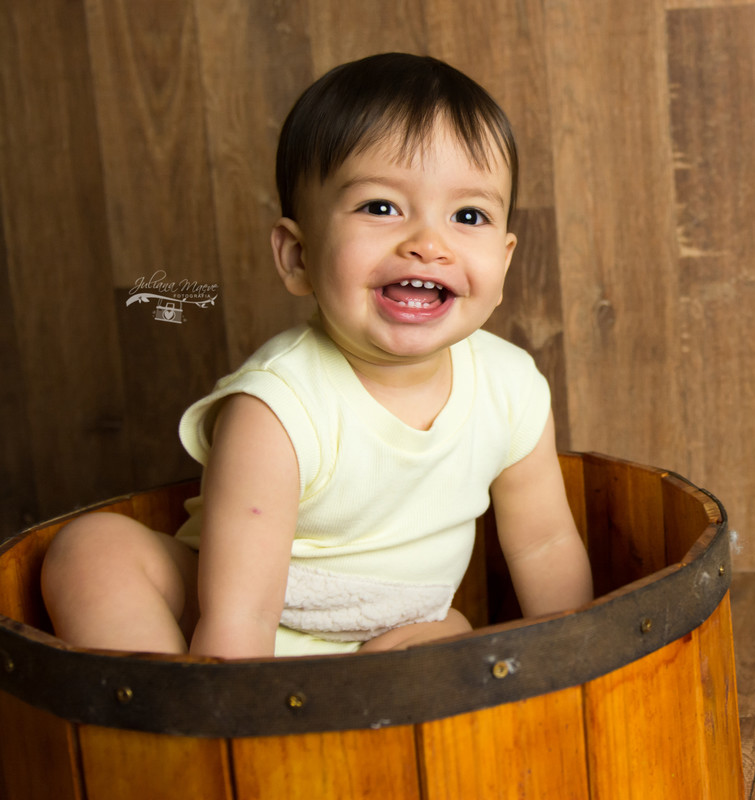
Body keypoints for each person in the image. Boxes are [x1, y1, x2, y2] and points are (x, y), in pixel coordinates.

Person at [40, 53, 593, 659]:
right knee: (90, 552)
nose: (428, 244)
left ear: (505, 262)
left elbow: (543, 544)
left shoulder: (511, 388)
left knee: (451, 637)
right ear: (298, 256)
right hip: (239, 630)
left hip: (388, 642)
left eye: (469, 215)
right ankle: (173, 718)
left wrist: (576, 663)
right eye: (380, 207)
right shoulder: (279, 405)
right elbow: (239, 613)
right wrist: (236, 722)